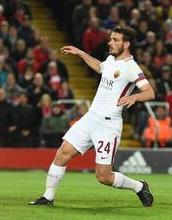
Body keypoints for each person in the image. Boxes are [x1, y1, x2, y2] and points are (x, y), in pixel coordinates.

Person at [29, 25, 154, 207]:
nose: (110, 42)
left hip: (108, 125)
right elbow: (100, 66)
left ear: (126, 44)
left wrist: (134, 96)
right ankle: (48, 197)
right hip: (90, 118)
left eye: (115, 40)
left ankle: (139, 186)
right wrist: (80, 53)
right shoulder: (111, 59)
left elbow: (149, 92)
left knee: (103, 176)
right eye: (111, 39)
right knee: (62, 153)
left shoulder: (131, 67)